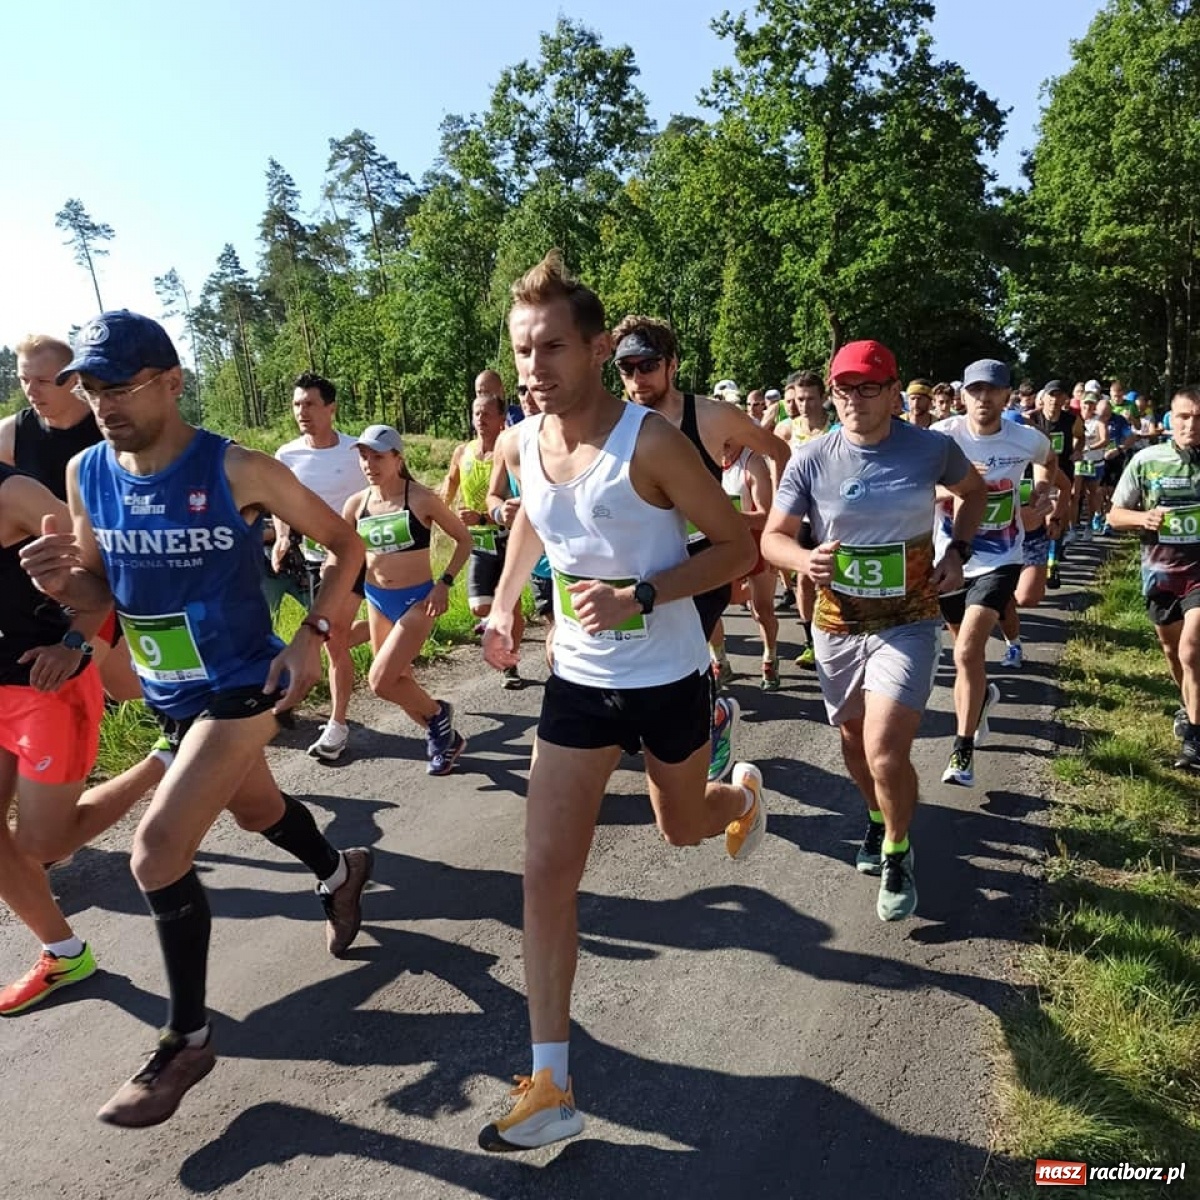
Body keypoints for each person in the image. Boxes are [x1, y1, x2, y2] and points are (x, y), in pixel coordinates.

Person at [20, 310, 373, 1128]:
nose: (104, 404)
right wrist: (61, 587)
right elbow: (101, 592)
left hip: (247, 680)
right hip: (170, 690)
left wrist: (312, 636)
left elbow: (344, 547)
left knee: (155, 850)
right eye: (91, 388)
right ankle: (339, 871)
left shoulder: (236, 466)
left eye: (121, 386)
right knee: (257, 811)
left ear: (173, 383)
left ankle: (186, 1039)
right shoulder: (85, 473)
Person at [477, 253, 765, 1152]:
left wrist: (643, 594)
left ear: (598, 348)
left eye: (552, 347)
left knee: (683, 829)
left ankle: (739, 798)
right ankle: (551, 1085)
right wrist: (503, 603)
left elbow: (738, 549)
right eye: (523, 350)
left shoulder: (651, 443)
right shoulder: (523, 441)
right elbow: (534, 518)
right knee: (544, 873)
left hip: (669, 679)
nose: (534, 368)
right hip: (578, 683)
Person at [762, 339, 985, 922]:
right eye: (843, 389)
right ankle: (877, 815)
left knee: (885, 751)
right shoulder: (812, 457)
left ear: (892, 393)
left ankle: (896, 851)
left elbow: (975, 493)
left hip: (908, 618)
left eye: (867, 388)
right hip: (837, 621)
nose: (853, 400)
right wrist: (802, 559)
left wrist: (958, 550)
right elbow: (772, 537)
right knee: (854, 742)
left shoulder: (931, 448)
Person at [609, 315, 789, 778]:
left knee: (687, 654)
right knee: (646, 656)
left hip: (706, 560)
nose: (637, 378)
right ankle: (698, 719)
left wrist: (779, 519)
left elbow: (779, 451)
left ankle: (708, 723)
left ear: (672, 365)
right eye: (626, 368)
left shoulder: (710, 416)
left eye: (648, 365)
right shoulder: (616, 422)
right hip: (645, 563)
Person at [0, 467, 111, 1015]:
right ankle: (64, 953)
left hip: (45, 686)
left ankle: (168, 758)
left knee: (43, 844)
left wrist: (74, 643)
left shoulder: (13, 493)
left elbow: (104, 578)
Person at [930, 360, 1058, 788]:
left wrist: (1042, 492)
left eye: (993, 390)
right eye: (976, 390)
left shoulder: (1024, 437)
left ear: (1006, 396)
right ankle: (982, 696)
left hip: (1002, 557)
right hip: (948, 558)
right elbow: (915, 486)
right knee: (963, 653)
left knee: (968, 651)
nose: (984, 398)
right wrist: (960, 488)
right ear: (963, 395)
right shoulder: (942, 437)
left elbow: (1049, 459)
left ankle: (962, 751)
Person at [2, 334, 141, 702]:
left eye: (43, 381)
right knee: (117, 690)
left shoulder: (110, 429)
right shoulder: (11, 433)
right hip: (53, 580)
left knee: (127, 688)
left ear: (73, 379)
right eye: (23, 379)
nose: (31, 390)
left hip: (122, 569)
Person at [342, 425, 472, 775]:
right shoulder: (356, 504)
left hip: (418, 601)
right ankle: (446, 736)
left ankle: (438, 715)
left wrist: (444, 584)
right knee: (398, 684)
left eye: (378, 457)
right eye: (364, 457)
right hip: (377, 599)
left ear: (398, 459)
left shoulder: (421, 499)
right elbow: (344, 553)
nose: (369, 464)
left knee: (380, 681)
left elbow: (464, 540)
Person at [272, 372, 369, 762]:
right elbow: (280, 503)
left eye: (310, 404)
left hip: (358, 556)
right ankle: (385, 632)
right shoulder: (286, 456)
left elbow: (383, 490)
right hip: (315, 560)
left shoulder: (355, 451)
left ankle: (337, 724)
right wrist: (282, 536)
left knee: (332, 637)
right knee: (334, 639)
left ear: (331, 409)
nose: (302, 412)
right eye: (297, 404)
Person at [1108, 386, 1200, 767]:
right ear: (1170, 420)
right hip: (1161, 574)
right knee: (1173, 652)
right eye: (1184, 417)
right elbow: (1115, 515)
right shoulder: (1147, 460)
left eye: (1198, 417)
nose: (1191, 424)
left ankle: (1194, 741)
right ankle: (1190, 706)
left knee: (1192, 649)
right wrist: (1143, 518)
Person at [443, 375, 525, 689]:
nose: (480, 419)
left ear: (501, 418)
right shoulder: (462, 452)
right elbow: (449, 485)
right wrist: (439, 515)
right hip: (479, 541)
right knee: (479, 606)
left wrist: (482, 516)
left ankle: (511, 666)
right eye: (476, 413)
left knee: (512, 606)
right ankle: (492, 622)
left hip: (508, 537)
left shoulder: (509, 449)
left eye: (487, 414)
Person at [710, 444, 780, 688]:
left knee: (762, 610)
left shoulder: (753, 463)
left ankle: (770, 657)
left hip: (755, 543)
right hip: (720, 547)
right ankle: (720, 661)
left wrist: (729, 517)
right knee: (711, 607)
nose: (724, 443)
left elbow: (766, 515)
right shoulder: (707, 457)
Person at [1029, 381, 1085, 586]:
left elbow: (1081, 437)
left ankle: (1053, 561)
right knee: (1038, 516)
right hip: (1038, 473)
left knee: (1059, 515)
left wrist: (1077, 450)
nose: (1054, 400)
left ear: (1064, 399)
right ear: (1043, 398)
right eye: (1051, 395)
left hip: (1063, 472)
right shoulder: (1032, 418)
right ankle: (1039, 559)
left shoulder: (1071, 419)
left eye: (1058, 396)